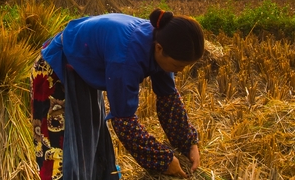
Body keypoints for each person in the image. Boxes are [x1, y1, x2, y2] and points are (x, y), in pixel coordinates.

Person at [32, 9, 204, 179]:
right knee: (60, 151)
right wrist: (163, 161)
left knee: (89, 146)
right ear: (159, 48)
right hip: (55, 71)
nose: (180, 71)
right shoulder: (126, 58)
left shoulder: (160, 41)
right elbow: (124, 122)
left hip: (83, 71)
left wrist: (188, 143)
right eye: (177, 65)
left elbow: (169, 100)